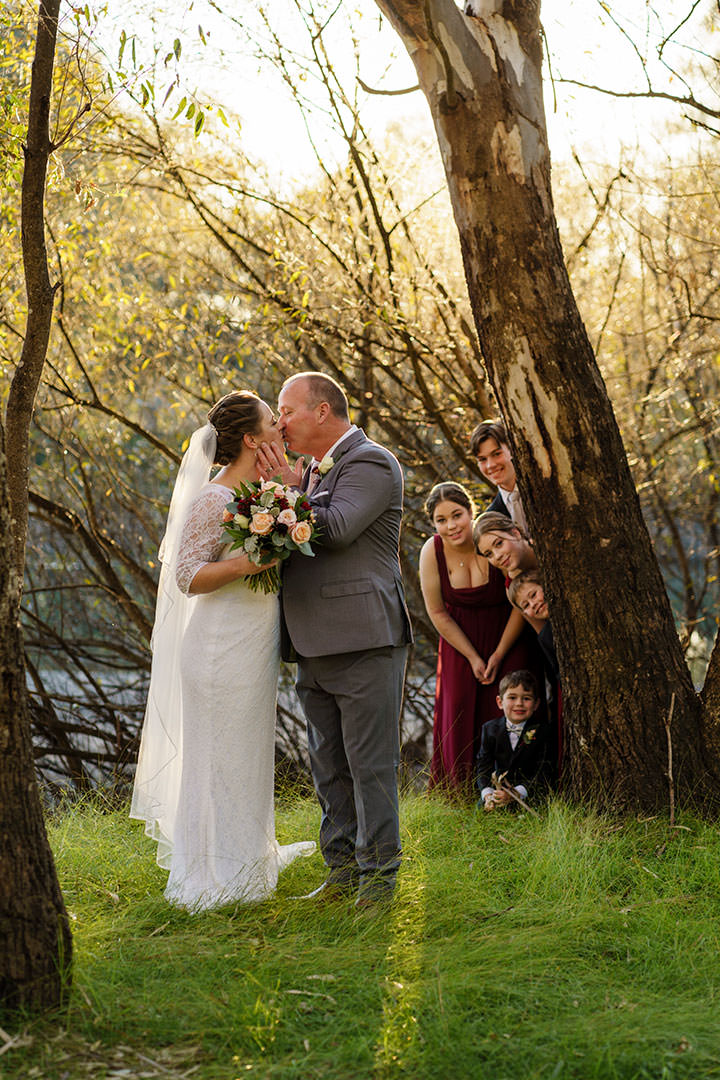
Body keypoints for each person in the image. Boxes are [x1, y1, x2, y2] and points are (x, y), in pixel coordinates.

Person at [131, 390, 315, 911]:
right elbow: (187, 575)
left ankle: (247, 857)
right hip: (215, 649)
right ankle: (212, 871)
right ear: (252, 440)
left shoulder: (269, 494)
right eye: (272, 422)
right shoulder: (214, 499)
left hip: (253, 646)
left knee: (246, 753)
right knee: (215, 758)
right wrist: (246, 564)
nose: (282, 426)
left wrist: (287, 497)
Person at [256, 372, 412, 909]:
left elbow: (338, 527)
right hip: (312, 644)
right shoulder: (314, 472)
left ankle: (379, 883)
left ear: (322, 412)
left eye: (287, 410)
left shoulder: (370, 462)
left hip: (364, 640)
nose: (279, 423)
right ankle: (341, 873)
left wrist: (283, 491)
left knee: (370, 767)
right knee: (328, 767)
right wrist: (290, 489)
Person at [419, 483, 542, 794]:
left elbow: (519, 598)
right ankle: (462, 792)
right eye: (441, 520)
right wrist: (473, 657)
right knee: (458, 706)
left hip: (509, 635)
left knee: (516, 701)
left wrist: (499, 654)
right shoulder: (431, 552)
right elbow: (437, 612)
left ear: (471, 511)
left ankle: (520, 787)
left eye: (457, 515)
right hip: (460, 644)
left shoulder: (491, 541)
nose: (451, 526)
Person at [476, 670, 549, 811]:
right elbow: (483, 766)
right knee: (480, 818)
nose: (519, 703)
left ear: (536, 704)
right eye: (512, 697)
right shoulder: (489, 729)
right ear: (500, 702)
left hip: (528, 794)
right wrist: (487, 794)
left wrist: (516, 793)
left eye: (526, 698)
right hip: (496, 793)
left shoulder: (543, 731)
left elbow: (543, 771)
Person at [469, 419, 527, 533]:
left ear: (513, 450)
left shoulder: (545, 489)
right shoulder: (491, 519)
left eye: (496, 454)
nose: (490, 465)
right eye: (482, 459)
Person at [473, 511, 537, 582]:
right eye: (489, 554)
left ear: (516, 533)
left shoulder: (548, 546)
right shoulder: (512, 584)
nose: (497, 556)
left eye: (499, 543)